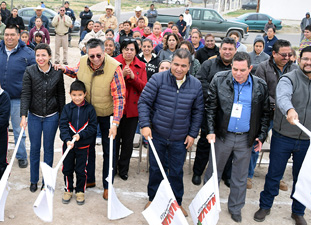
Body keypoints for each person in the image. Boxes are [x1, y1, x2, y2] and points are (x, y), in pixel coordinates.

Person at [254, 46, 311, 225]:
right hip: (284, 137)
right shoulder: (288, 78)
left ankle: (298, 211)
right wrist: (289, 110)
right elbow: (282, 98)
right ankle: (265, 206)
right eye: (305, 58)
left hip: (309, 141)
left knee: (303, 177)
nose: (309, 62)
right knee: (274, 174)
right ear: (299, 59)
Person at [205, 52, 270, 223]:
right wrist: (210, 130)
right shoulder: (219, 79)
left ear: (250, 68)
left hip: (245, 138)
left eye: (242, 70)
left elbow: (265, 114)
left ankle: (235, 208)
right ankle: (207, 205)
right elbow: (211, 107)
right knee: (213, 173)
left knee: (240, 176)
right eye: (235, 69)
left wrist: (261, 136)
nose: (238, 73)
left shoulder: (260, 86)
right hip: (222, 136)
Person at [57, 38, 126, 199]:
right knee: (87, 148)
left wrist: (115, 122)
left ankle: (108, 185)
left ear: (105, 52)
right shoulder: (83, 61)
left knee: (110, 150)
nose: (95, 59)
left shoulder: (114, 67)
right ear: (87, 53)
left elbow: (119, 98)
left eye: (98, 55)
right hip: (88, 113)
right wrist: (63, 68)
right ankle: (89, 179)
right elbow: (76, 72)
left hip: (107, 115)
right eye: (91, 56)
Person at [138, 48, 204, 213]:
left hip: (180, 139)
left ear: (189, 66)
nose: (179, 69)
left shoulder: (196, 85)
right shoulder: (158, 79)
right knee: (155, 170)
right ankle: (153, 199)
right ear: (171, 62)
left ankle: (176, 203)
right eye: (176, 64)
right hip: (157, 135)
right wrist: (145, 125)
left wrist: (192, 134)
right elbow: (144, 102)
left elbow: (198, 112)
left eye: (183, 65)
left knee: (175, 172)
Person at [0, 25, 36, 168]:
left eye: (12, 34)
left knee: (19, 130)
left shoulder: (28, 54)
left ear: (18, 36)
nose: (9, 37)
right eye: (6, 34)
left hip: (18, 99)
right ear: (3, 36)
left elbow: (35, 75)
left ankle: (21, 155)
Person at [248, 39, 298, 190]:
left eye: (289, 54)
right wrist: (275, 104)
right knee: (256, 143)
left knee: (280, 149)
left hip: (285, 116)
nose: (287, 57)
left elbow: (297, 92)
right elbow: (260, 90)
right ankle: (248, 175)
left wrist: (286, 107)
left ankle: (278, 177)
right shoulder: (263, 67)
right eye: (283, 54)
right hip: (266, 114)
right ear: (274, 53)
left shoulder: (295, 69)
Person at [20, 43, 65, 192]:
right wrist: (23, 115)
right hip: (34, 116)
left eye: (43, 55)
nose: (40, 58)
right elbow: (25, 94)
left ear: (50, 56)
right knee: (34, 148)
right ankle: (34, 180)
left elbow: (60, 95)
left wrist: (62, 116)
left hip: (52, 116)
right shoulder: (29, 71)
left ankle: (47, 180)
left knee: (48, 149)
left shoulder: (57, 72)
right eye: (38, 55)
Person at [192, 37, 237, 186]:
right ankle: (198, 172)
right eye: (225, 48)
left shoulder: (237, 67)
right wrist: (218, 96)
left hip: (231, 115)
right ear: (220, 49)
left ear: (235, 50)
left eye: (230, 49)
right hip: (210, 112)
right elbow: (200, 82)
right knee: (205, 143)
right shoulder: (209, 64)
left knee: (228, 145)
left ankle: (226, 174)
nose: (227, 52)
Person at [114, 38, 147, 181]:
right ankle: (112, 168)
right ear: (121, 50)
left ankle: (123, 169)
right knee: (114, 141)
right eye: (126, 49)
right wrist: (122, 74)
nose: (128, 52)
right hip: (116, 109)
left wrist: (133, 77)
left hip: (132, 110)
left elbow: (144, 88)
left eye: (132, 49)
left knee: (128, 142)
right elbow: (109, 81)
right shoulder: (114, 62)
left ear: (136, 51)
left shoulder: (141, 66)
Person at [59, 80, 97, 205]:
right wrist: (67, 140)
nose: (77, 98)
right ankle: (68, 189)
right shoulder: (66, 108)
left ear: (85, 94)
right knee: (67, 168)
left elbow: (92, 127)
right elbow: (63, 126)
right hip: (69, 146)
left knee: (81, 170)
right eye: (74, 95)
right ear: (70, 94)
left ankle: (80, 191)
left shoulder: (90, 109)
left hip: (83, 146)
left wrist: (80, 136)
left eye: (80, 95)